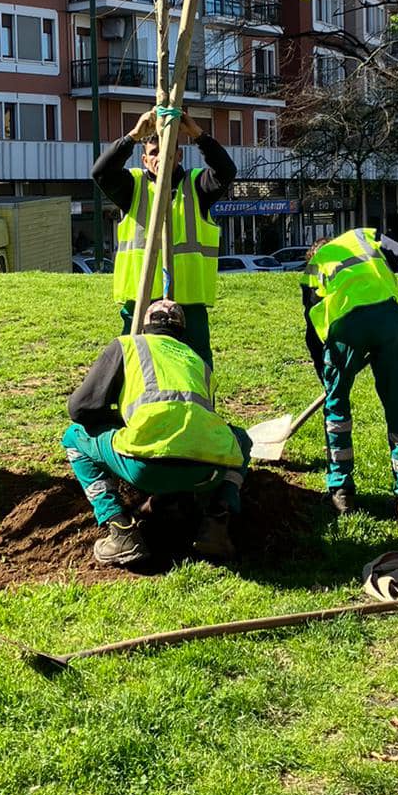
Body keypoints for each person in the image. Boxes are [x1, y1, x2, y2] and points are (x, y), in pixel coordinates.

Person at [62, 297, 252, 569]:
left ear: (143, 325)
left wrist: (120, 419)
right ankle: (216, 522)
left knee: (74, 438)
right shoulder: (198, 361)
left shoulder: (127, 346)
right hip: (206, 474)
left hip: (146, 467)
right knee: (240, 439)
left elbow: (79, 408)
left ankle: (120, 529)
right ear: (182, 331)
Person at [301, 227, 398, 523]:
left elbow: (312, 329)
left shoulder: (313, 268)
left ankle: (341, 493)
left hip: (344, 329)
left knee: (338, 412)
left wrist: (328, 379)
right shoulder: (363, 236)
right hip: (389, 319)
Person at [93, 109, 236, 365]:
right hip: (141, 298)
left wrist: (197, 134)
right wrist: (134, 136)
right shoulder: (133, 187)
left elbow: (226, 171)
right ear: (145, 160)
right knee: (135, 364)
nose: (160, 158)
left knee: (196, 364)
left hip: (188, 301)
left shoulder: (196, 185)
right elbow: (101, 172)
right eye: (154, 153)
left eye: (167, 151)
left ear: (178, 155)